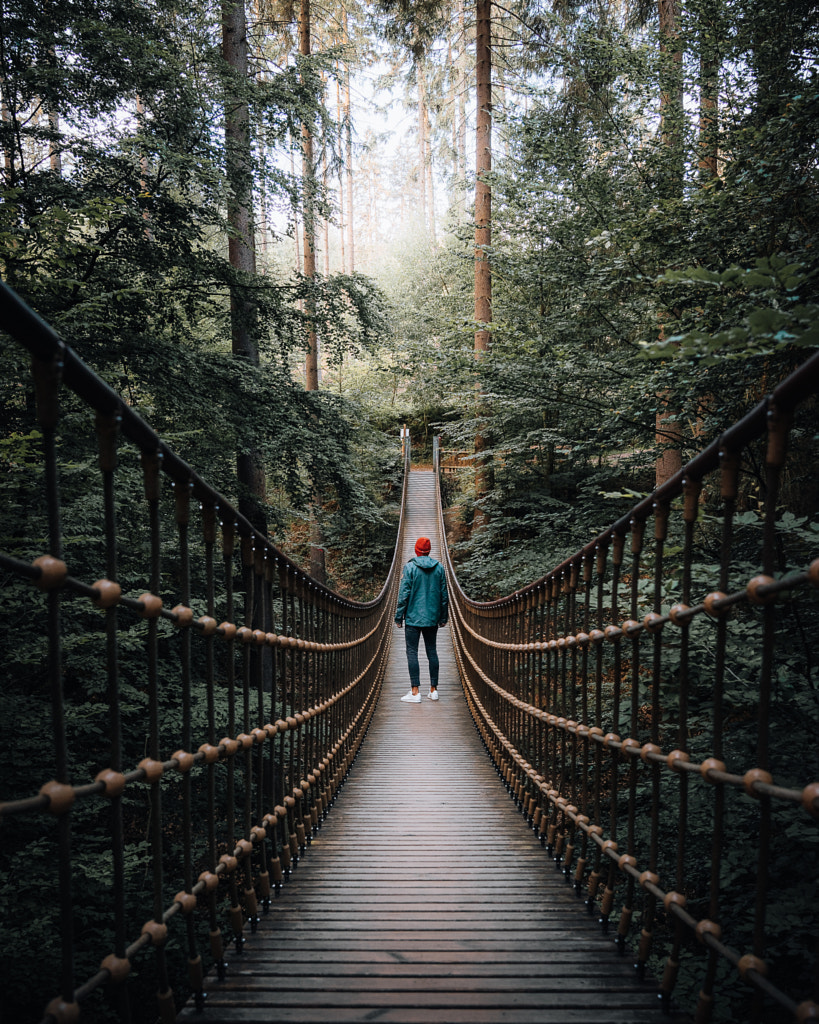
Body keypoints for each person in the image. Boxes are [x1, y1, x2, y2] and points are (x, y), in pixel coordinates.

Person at [394, 537, 449, 703]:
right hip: (432, 618)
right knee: (432, 651)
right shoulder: (439, 568)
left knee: (412, 652)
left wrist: (398, 617)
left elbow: (404, 595)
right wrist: (443, 617)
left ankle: (415, 692)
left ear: (416, 551)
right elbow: (444, 596)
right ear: (429, 550)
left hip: (412, 618)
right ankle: (434, 690)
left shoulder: (410, 567)